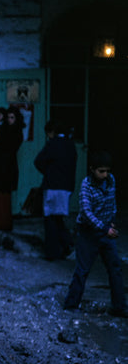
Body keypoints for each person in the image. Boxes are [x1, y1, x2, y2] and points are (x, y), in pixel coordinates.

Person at [64, 151, 128, 318]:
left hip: (105, 230)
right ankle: (71, 304)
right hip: (88, 232)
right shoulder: (87, 185)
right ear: (93, 169)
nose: (105, 174)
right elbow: (86, 212)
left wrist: (111, 221)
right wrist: (104, 228)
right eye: (101, 171)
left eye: (107, 170)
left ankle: (119, 306)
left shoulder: (111, 180)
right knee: (82, 270)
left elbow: (111, 202)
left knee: (115, 268)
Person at [33, 120, 77, 260]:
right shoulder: (71, 145)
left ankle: (53, 252)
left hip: (52, 185)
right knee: (58, 217)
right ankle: (66, 243)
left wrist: (48, 172)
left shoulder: (52, 144)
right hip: (66, 186)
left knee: (50, 219)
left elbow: (38, 161)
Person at [0, 106, 24, 231]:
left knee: (4, 196)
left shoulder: (16, 132)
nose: (9, 120)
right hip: (0, 167)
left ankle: (3, 223)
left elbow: (8, 148)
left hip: (7, 167)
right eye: (8, 117)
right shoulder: (5, 130)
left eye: (12, 118)